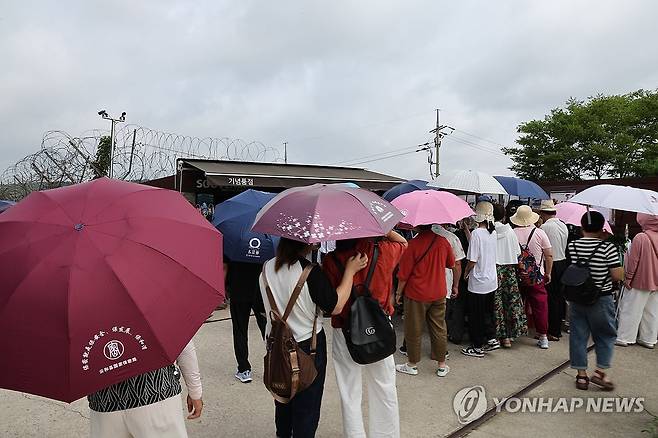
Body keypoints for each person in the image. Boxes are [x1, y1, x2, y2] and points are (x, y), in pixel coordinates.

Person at [259, 237, 367, 438]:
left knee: (282, 397)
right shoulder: (310, 272)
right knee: (307, 408)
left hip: (275, 346)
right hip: (307, 347)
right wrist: (350, 272)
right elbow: (335, 306)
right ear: (306, 244)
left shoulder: (266, 269)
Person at [323, 230, 407, 438]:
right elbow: (404, 243)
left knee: (349, 388)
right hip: (379, 327)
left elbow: (329, 301)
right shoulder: (384, 251)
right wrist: (385, 229)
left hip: (345, 329)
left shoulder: (331, 260)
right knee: (384, 385)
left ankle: (355, 434)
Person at [88, 340, 203, 438]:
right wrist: (195, 392)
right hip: (155, 392)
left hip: (104, 402)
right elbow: (181, 340)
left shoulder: (78, 315)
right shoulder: (158, 312)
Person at [567, 211, 623, 390]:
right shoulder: (608, 248)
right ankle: (600, 373)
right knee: (605, 334)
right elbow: (616, 275)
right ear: (602, 228)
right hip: (601, 298)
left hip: (577, 298)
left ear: (582, 226)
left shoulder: (573, 245)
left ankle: (581, 376)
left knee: (578, 335)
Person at [394, 225, 455, 378]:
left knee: (413, 328)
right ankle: (442, 365)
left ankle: (412, 364)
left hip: (416, 293)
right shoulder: (443, 241)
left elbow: (403, 274)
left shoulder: (412, 245)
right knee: (439, 328)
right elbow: (451, 263)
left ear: (418, 226)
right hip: (439, 292)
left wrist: (398, 293)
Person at [510, 205, 553, 349]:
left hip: (516, 275)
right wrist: (548, 272)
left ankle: (512, 333)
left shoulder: (512, 233)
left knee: (515, 304)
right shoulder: (540, 233)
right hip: (536, 276)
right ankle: (543, 336)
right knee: (540, 306)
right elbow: (549, 255)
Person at [462, 201, 498, 358]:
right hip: (491, 279)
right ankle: (491, 338)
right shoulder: (492, 232)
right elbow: (478, 245)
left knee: (476, 314)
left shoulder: (477, 233)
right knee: (487, 312)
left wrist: (465, 272)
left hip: (478, 281)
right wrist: (466, 232)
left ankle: (477, 346)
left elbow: (473, 260)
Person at [616, 213, 658, 349]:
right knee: (652, 311)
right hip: (656, 281)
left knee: (631, 308)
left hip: (640, 279)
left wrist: (628, 277)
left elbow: (633, 260)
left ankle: (625, 337)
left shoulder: (641, 237)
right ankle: (649, 339)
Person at [225, 258, 267, 383]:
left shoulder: (232, 242)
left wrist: (224, 286)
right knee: (267, 328)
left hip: (238, 288)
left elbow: (224, 266)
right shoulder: (267, 241)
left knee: (240, 330)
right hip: (259, 289)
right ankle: (275, 364)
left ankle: (244, 369)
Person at [492, 204, 527, 348]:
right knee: (511, 302)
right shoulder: (510, 232)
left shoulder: (489, 231)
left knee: (496, 303)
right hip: (509, 270)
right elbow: (517, 253)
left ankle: (498, 335)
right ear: (504, 215)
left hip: (494, 269)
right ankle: (509, 335)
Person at [539, 200, 569, 341]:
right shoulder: (563, 225)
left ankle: (553, 330)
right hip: (562, 261)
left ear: (543, 213)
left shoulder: (545, 227)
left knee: (551, 299)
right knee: (559, 297)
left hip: (551, 263)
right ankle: (558, 326)